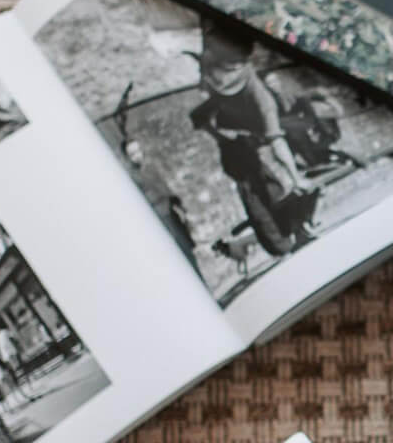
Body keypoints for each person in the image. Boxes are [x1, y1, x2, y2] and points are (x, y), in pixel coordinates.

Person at [188, 27, 320, 257]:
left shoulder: (261, 98)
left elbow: (277, 142)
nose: (222, 78)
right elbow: (199, 114)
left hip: (264, 146)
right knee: (258, 203)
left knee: (279, 191)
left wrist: (295, 177)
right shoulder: (214, 66)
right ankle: (284, 242)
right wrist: (223, 137)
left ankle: (296, 232)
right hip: (240, 150)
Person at [121, 136, 202, 276]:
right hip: (160, 217)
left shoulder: (150, 167)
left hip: (171, 212)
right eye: (133, 154)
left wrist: (180, 208)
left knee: (187, 250)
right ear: (127, 157)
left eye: (138, 151)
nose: (138, 155)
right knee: (177, 255)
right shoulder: (132, 177)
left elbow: (166, 190)